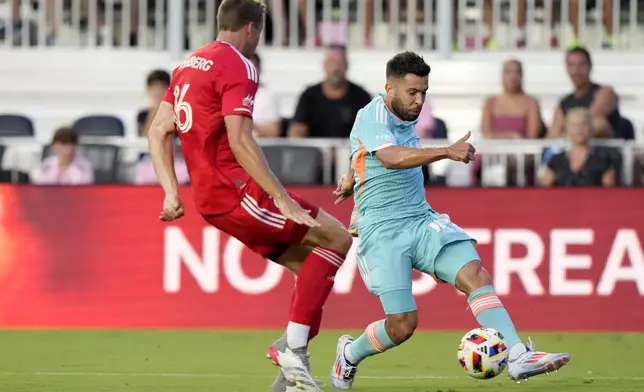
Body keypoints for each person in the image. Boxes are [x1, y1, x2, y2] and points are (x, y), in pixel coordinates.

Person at [329, 51, 570, 390]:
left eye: (424, 92)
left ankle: (516, 354)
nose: (419, 100)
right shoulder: (371, 115)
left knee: (474, 272)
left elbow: (366, 152)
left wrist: (352, 176)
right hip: (382, 230)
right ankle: (350, 353)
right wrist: (446, 151)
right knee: (402, 325)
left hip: (419, 219)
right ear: (389, 88)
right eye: (412, 92)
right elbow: (391, 156)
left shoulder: (405, 114)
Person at [146, 2, 352, 392]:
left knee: (309, 271)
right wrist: (283, 198)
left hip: (211, 199)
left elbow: (158, 131)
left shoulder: (189, 64)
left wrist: (172, 193)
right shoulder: (240, 65)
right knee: (338, 238)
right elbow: (240, 140)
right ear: (253, 28)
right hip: (239, 191)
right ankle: (291, 353)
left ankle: (288, 381)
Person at [288, 45, 372, 138]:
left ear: (347, 66)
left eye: (340, 63)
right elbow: (297, 129)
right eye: (332, 63)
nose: (335, 68)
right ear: (324, 65)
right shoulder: (309, 96)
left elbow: (371, 132)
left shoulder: (361, 96)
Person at [549, 47, 620, 139]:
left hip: (605, 150)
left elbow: (586, 124)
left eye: (581, 65)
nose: (576, 71)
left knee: (599, 124)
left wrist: (568, 131)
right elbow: (552, 135)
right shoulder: (564, 103)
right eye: (571, 65)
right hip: (572, 151)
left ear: (590, 66)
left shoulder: (604, 93)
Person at [541, 108, 616, 187]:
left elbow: (609, 191)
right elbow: (545, 188)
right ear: (566, 129)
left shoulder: (604, 159)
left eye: (583, 124)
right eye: (574, 125)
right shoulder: (556, 160)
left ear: (590, 127)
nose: (578, 129)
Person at [482, 59, 542, 139]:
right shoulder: (490, 103)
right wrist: (511, 136)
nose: (512, 77)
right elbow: (486, 134)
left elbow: (532, 136)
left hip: (523, 150)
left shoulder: (531, 103)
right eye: (508, 72)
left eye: (517, 72)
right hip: (493, 150)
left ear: (521, 76)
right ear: (502, 76)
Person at [249, 52, 282, 137]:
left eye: (253, 67)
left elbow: (274, 131)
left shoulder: (268, 96)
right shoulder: (229, 94)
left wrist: (248, 125)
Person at [138, 70, 172, 136]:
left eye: (161, 88)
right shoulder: (142, 115)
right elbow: (143, 139)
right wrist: (153, 113)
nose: (157, 93)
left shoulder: (176, 115)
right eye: (154, 89)